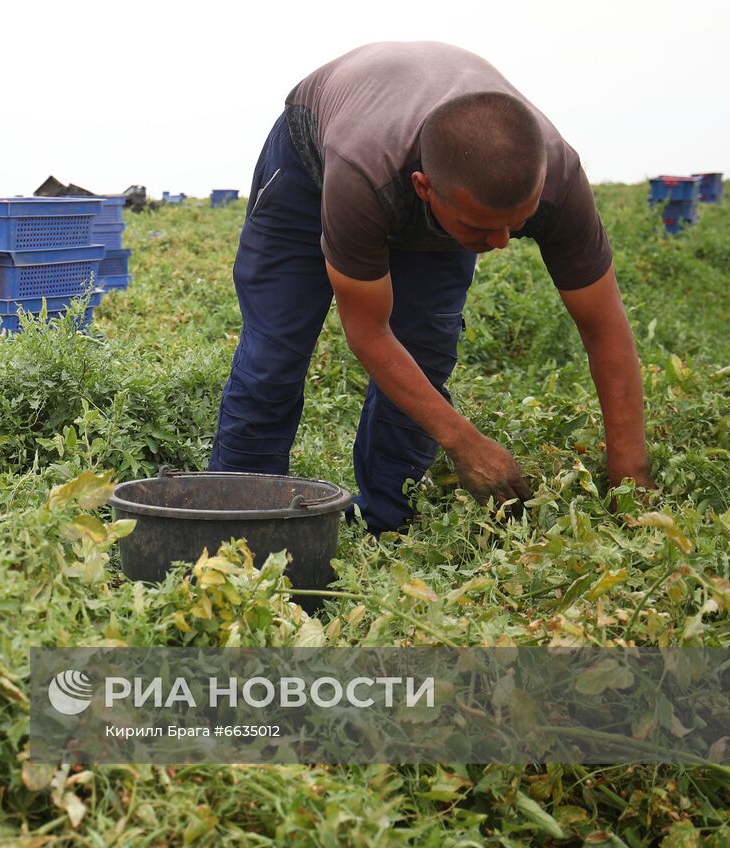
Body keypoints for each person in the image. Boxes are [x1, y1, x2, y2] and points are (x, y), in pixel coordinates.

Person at [209, 42, 652, 533]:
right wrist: (464, 442)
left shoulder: (560, 181)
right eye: (482, 229)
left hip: (417, 169)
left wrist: (629, 483)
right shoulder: (365, 171)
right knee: (276, 350)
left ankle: (386, 524)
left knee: (423, 348)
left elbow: (603, 326)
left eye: (517, 224)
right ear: (425, 189)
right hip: (313, 159)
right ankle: (237, 524)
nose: (500, 243)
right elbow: (368, 331)